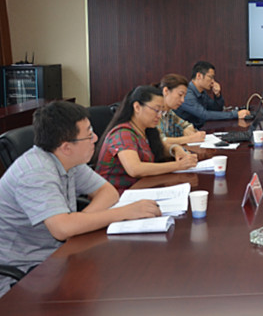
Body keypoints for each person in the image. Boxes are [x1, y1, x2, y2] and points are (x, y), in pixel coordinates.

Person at [0, 101, 161, 297]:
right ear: (66, 147)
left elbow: (108, 192)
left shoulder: (68, 160)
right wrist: (124, 212)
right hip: (25, 271)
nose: (95, 138)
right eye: (89, 134)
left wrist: (78, 222)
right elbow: (62, 230)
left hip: (56, 255)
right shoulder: (35, 172)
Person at [95, 85, 198, 192]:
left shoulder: (147, 130)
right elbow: (135, 169)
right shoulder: (122, 133)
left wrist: (175, 149)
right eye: (156, 110)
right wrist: (178, 165)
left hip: (139, 188)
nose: (159, 116)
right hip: (116, 194)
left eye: (162, 111)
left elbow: (160, 148)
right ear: (137, 107)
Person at [175, 61, 250, 128]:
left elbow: (216, 109)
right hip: (184, 134)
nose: (213, 81)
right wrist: (236, 115)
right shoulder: (187, 93)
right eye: (210, 77)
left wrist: (217, 95)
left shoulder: (202, 92)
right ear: (199, 76)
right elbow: (204, 115)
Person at [157, 73, 206, 145]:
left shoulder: (169, 112)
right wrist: (190, 139)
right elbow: (159, 141)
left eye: (184, 96)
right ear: (166, 91)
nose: (182, 100)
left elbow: (186, 124)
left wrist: (186, 129)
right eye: (180, 95)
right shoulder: (154, 112)